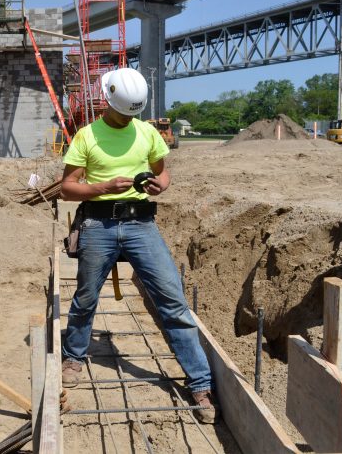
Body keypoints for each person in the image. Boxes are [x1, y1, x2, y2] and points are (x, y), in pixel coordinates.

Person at [59, 67, 218, 424]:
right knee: (86, 297)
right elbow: (67, 188)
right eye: (123, 112)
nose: (129, 118)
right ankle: (74, 355)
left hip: (140, 224)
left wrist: (162, 184)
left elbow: (162, 172)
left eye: (134, 112)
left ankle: (200, 383)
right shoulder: (86, 136)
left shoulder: (147, 132)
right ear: (107, 101)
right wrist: (102, 187)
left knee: (173, 300)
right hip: (98, 223)